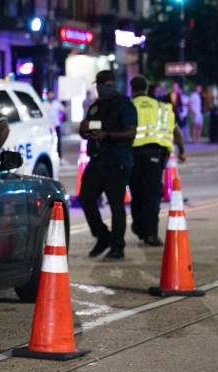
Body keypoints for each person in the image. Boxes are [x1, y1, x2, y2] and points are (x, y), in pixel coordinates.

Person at [79, 69, 137, 261]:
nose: (101, 89)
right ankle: (103, 236)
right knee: (86, 199)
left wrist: (108, 136)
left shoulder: (125, 105)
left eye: (104, 86)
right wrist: (84, 129)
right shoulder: (96, 107)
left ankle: (117, 247)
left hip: (117, 160)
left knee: (116, 205)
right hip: (97, 160)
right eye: (99, 85)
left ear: (111, 85)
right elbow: (90, 129)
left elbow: (130, 132)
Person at [129, 75, 186, 247]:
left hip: (133, 155)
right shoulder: (162, 107)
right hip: (155, 155)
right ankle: (151, 234)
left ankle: (139, 227)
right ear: (147, 89)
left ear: (132, 90)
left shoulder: (128, 106)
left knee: (137, 193)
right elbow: (176, 131)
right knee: (152, 195)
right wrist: (182, 150)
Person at [46, 90, 67, 162]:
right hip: (49, 127)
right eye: (49, 94)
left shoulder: (57, 103)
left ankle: (60, 158)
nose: (51, 96)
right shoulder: (44, 104)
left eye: (52, 94)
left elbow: (64, 110)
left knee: (58, 142)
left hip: (57, 125)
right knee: (49, 143)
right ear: (47, 95)